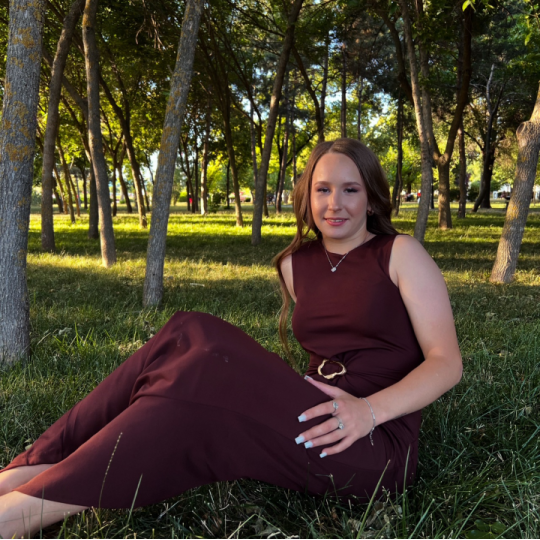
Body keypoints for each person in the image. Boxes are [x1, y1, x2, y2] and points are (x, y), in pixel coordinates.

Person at [0, 138, 462, 538]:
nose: (334, 204)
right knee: (187, 331)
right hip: (311, 410)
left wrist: (368, 411)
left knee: (201, 378)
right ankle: (30, 469)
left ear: (372, 199)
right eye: (322, 189)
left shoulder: (399, 253)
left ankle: (18, 513)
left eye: (350, 190)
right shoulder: (295, 264)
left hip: (370, 442)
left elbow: (446, 362)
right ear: (307, 196)